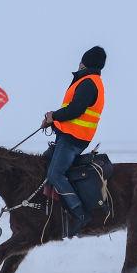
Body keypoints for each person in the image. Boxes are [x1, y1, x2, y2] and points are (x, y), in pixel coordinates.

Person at [41, 45, 107, 237]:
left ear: (84, 63)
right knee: (44, 164)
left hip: (73, 139)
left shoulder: (88, 82)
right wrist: (53, 122)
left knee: (55, 175)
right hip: (70, 136)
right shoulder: (90, 81)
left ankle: (80, 215)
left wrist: (53, 115)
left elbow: (75, 110)